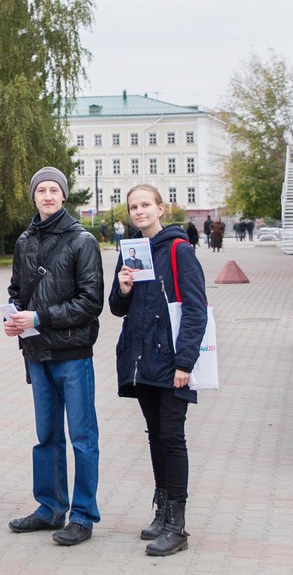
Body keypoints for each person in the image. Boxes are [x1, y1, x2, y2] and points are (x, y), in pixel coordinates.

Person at [4, 166, 104, 547]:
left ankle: (82, 515)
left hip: (73, 353)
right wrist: (15, 317)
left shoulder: (83, 241)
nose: (47, 196)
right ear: (33, 197)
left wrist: (39, 317)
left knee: (82, 437)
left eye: (53, 190)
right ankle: (49, 507)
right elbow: (16, 288)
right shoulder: (25, 240)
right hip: (36, 352)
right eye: (41, 190)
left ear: (63, 196)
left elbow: (90, 302)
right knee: (46, 435)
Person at [110, 185, 208, 556]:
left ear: (160, 208)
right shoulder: (130, 251)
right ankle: (162, 510)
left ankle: (177, 525)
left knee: (172, 438)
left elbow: (196, 310)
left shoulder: (180, 250)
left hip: (171, 364)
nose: (139, 212)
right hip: (141, 361)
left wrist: (185, 362)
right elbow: (118, 309)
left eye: (145, 205)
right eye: (134, 207)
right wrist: (122, 288)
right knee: (155, 436)